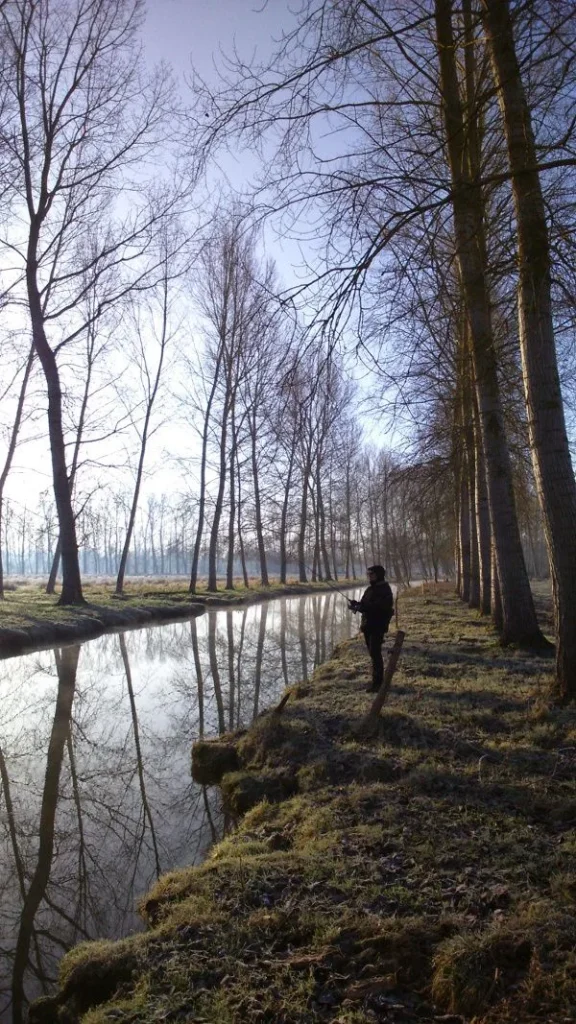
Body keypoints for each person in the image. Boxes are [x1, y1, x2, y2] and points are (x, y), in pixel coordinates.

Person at [348, 565, 394, 692]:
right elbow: (365, 604)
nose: (369, 577)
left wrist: (362, 608)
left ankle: (378, 684)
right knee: (372, 653)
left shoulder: (385, 589)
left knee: (375, 653)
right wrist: (356, 604)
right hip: (368, 626)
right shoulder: (369, 589)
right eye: (368, 574)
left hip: (377, 626)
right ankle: (377, 681)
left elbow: (380, 608)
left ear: (379, 575)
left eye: (371, 574)